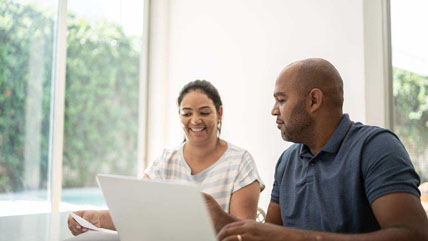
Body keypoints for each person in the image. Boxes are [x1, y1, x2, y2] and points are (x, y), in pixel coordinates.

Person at [210, 58, 428, 241]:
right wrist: (221, 220)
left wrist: (296, 238)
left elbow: (413, 235)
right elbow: (269, 236)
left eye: (281, 100)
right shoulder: (287, 161)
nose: (274, 110)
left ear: (314, 100)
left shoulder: (376, 147)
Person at [68, 80, 264, 236]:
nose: (195, 120)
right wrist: (93, 218)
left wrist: (215, 216)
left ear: (219, 113)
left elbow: (246, 233)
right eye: (187, 113)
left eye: (204, 112)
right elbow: (136, 212)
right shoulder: (165, 160)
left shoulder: (240, 161)